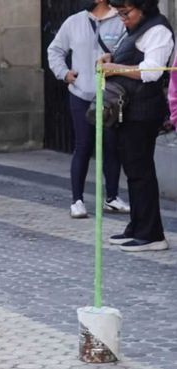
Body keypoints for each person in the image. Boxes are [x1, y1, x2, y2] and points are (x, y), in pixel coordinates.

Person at [102, 0, 174, 252]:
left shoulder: (158, 30)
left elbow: (151, 71)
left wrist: (115, 68)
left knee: (141, 171)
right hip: (129, 110)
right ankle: (138, 225)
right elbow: (131, 56)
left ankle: (151, 234)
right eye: (119, 13)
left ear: (142, 8)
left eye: (126, 13)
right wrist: (112, 58)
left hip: (143, 111)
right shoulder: (136, 28)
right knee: (133, 170)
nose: (123, 18)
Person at [47, 0, 128, 219]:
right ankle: (77, 200)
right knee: (83, 145)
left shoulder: (120, 22)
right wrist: (64, 73)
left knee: (111, 146)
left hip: (110, 96)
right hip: (81, 94)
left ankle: (111, 197)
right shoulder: (73, 22)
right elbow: (55, 50)